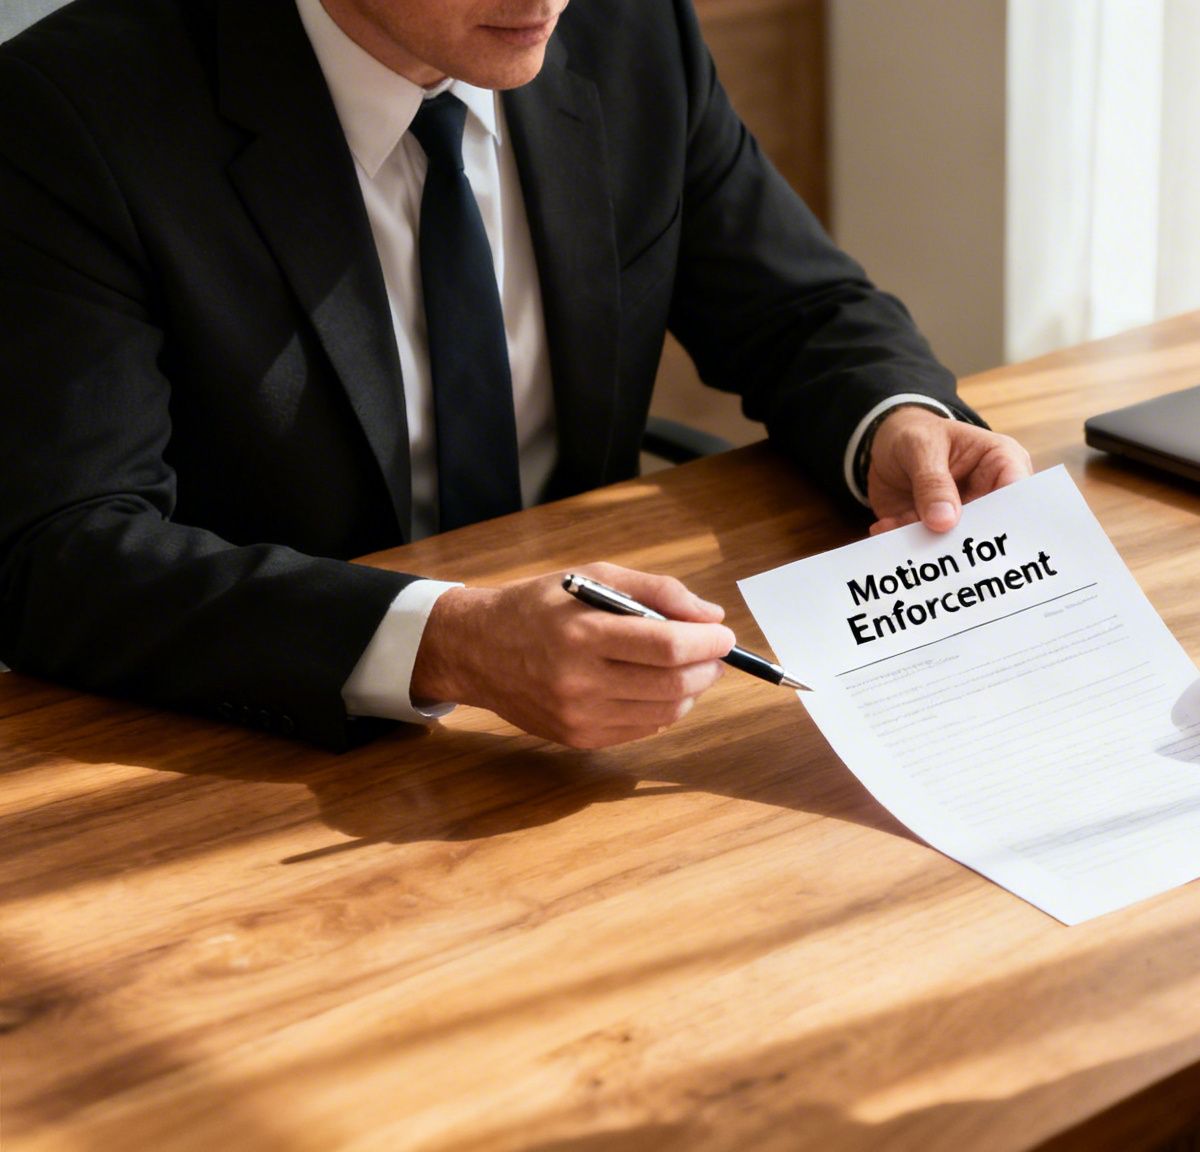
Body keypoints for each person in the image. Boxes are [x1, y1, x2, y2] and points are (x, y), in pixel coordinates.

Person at [0, 0, 1030, 750]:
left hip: (609, 713)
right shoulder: (71, 114)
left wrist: (893, 421)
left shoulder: (633, 34)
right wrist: (447, 642)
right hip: (265, 744)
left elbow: (797, 310)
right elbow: (59, 550)